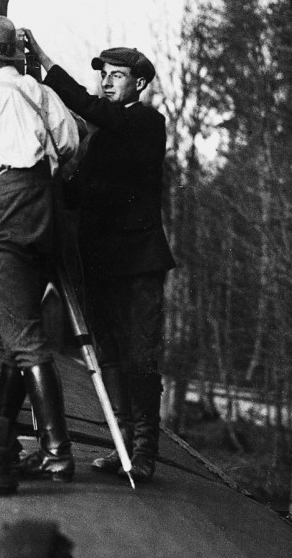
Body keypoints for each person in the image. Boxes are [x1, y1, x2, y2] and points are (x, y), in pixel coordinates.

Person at [22, 35, 176, 482]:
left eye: (117, 76)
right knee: (108, 353)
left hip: (139, 260)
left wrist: (46, 65)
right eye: (103, 75)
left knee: (141, 354)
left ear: (140, 83)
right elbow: (74, 194)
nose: (106, 83)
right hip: (100, 260)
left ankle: (146, 452)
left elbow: (92, 110)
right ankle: (122, 446)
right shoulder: (99, 137)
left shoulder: (146, 122)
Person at [0, 8, 81, 481]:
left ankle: (57, 451)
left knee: (26, 340)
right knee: (16, 331)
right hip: (49, 209)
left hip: (9, 209)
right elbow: (70, 144)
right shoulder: (43, 92)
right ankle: (4, 436)